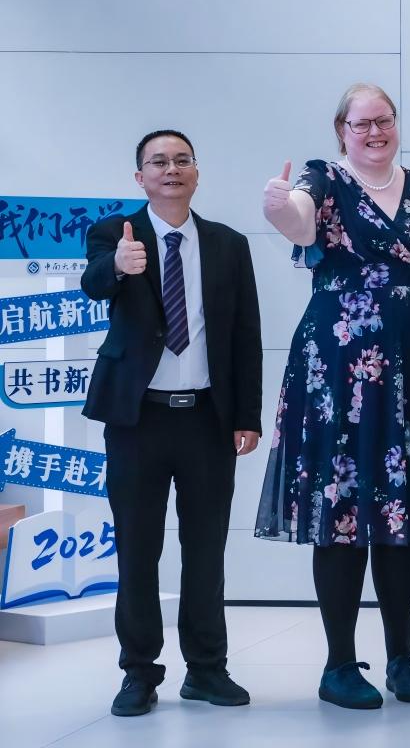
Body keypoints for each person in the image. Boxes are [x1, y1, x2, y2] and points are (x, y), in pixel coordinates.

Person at [254, 82, 410, 709]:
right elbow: (299, 219)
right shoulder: (325, 176)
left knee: (401, 515)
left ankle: (401, 658)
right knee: (339, 514)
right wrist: (279, 205)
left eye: (383, 120)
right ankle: (338, 665)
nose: (374, 132)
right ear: (341, 130)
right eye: (361, 123)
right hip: (338, 368)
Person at [83, 129, 261, 717]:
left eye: (182, 160)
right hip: (137, 419)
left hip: (207, 418)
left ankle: (206, 669)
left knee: (206, 549)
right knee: (137, 549)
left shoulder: (228, 244)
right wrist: (117, 266)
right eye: (158, 162)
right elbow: (92, 283)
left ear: (197, 172)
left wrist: (247, 415)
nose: (171, 169)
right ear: (140, 177)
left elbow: (246, 336)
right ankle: (138, 672)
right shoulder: (116, 234)